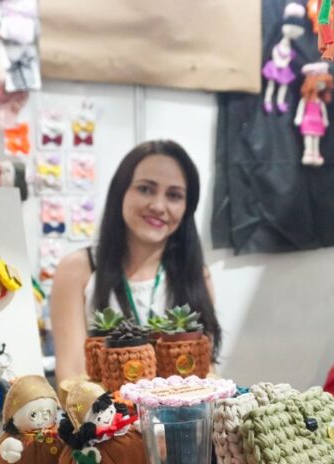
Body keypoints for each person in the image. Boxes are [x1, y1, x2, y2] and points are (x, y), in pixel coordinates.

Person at [50, 140, 221, 384]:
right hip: (107, 418)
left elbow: (208, 371)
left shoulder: (197, 275)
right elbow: (72, 377)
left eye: (174, 195)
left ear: (187, 207)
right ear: (121, 192)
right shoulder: (78, 269)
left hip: (183, 417)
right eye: (145, 189)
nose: (158, 206)